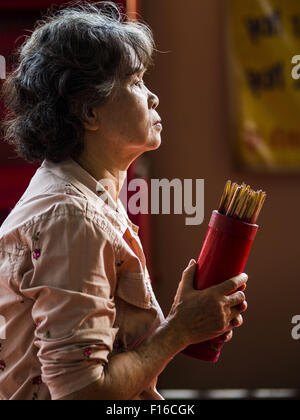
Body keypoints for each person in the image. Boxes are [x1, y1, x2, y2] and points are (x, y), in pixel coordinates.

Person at [0, 1, 248, 400]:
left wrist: (188, 318)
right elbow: (80, 393)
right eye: (135, 82)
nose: (153, 98)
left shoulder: (82, 193)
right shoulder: (72, 216)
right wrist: (179, 329)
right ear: (89, 111)